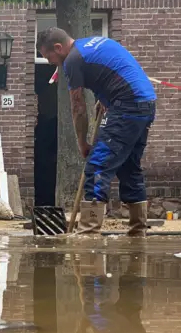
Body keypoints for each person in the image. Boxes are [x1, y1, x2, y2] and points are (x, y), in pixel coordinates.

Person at [36, 28, 157, 236]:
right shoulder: (94, 43)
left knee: (96, 167)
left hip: (127, 106)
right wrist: (106, 96)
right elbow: (115, 68)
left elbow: (78, 107)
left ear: (58, 47)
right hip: (145, 103)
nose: (49, 62)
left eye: (49, 56)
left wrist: (82, 143)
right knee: (129, 168)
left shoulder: (73, 60)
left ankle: (88, 234)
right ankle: (138, 232)